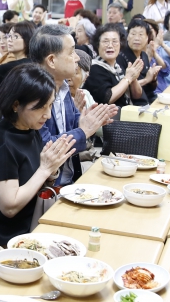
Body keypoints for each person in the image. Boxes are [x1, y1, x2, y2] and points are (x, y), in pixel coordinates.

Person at [0, 65, 76, 247]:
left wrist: (51, 171)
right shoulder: (1, 141)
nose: (47, 114)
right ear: (16, 105)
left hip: (35, 220)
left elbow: (34, 180)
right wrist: (44, 169)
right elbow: (10, 207)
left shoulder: (29, 128)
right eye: (40, 108)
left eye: (51, 105)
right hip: (9, 235)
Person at [29, 24, 119, 187]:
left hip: (69, 176)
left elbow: (74, 123)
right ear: (51, 60)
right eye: (71, 52)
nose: (77, 58)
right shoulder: (33, 95)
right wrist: (84, 130)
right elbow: (45, 145)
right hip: (45, 186)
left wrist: (89, 120)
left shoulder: (62, 86)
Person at [85, 23, 143, 107]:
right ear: (97, 45)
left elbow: (137, 95)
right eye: (105, 41)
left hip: (125, 112)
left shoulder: (117, 66)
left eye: (115, 41)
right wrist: (128, 78)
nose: (110, 45)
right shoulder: (94, 68)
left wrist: (133, 79)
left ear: (120, 44)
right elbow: (108, 98)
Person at [118, 19, 162, 104]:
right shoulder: (121, 57)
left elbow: (150, 88)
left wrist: (153, 78)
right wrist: (146, 80)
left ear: (147, 38)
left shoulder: (144, 55)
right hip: (134, 104)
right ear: (127, 36)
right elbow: (124, 88)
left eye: (141, 34)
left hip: (150, 98)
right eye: (133, 34)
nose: (137, 38)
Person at [0, 20, 34, 86]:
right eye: (9, 36)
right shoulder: (26, 61)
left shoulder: (20, 65)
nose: (9, 40)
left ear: (27, 40)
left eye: (15, 36)